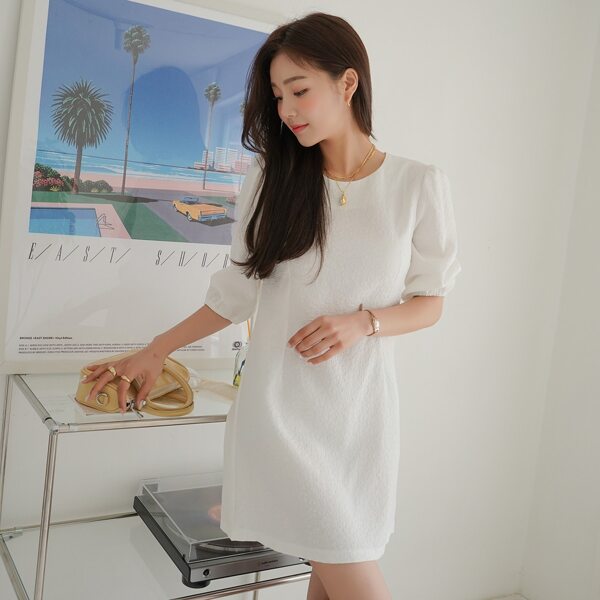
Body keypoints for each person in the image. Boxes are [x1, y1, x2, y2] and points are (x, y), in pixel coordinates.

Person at [81, 11, 461, 600]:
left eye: (299, 90)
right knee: (347, 565)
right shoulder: (271, 178)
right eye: (278, 95)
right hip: (280, 412)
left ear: (348, 83)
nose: (286, 109)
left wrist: (364, 323)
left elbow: (430, 302)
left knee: (331, 576)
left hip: (360, 418)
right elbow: (235, 294)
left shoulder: (417, 185)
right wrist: (157, 350)